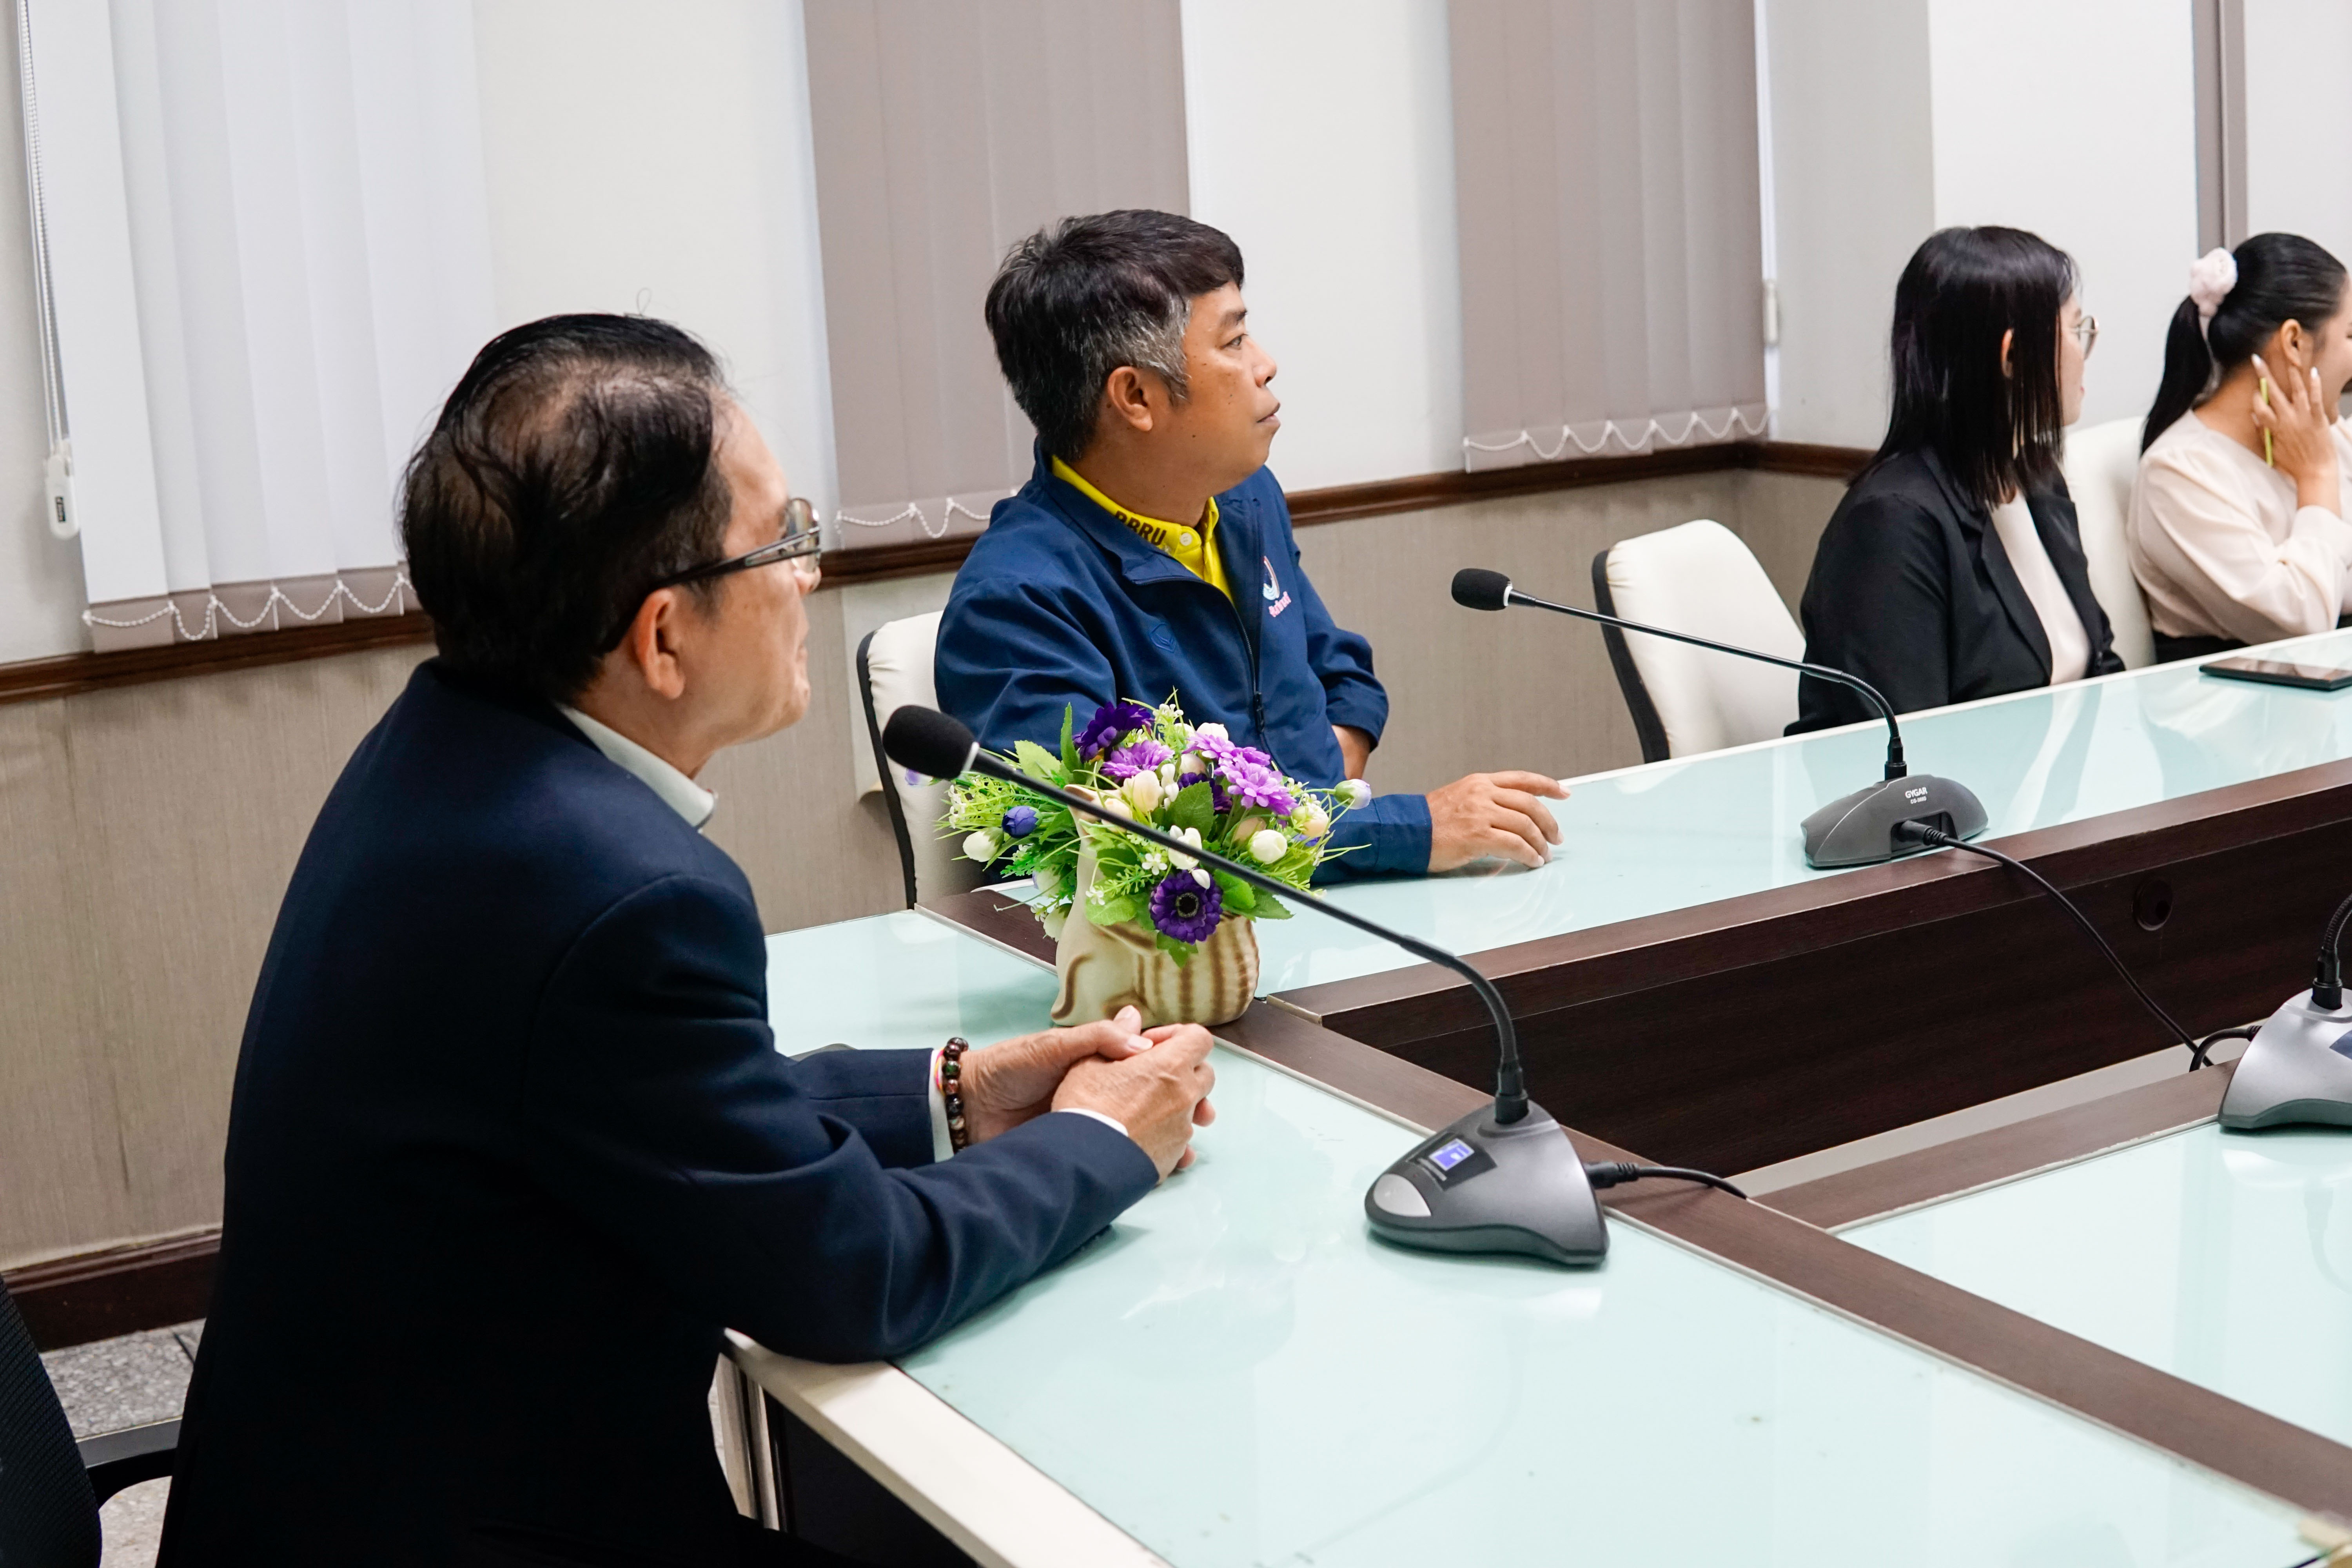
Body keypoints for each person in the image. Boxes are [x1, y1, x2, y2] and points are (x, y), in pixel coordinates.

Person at [158, 316, 1217, 1568]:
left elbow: (632, 1100)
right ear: (662, 636)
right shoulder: (620, 891)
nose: (809, 574)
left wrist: (954, 1092)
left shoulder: (448, 748)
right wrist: (1105, 1139)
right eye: (785, 538)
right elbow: (850, 1277)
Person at [935, 209, 1567, 879]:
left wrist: (1331, 775)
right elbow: (1119, 841)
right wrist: (1403, 831)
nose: (1266, 365)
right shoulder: (1017, 599)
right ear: (1137, 396)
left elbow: (1335, 666)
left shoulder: (1242, 496)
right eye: (1234, 342)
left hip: (1327, 894)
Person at [1788, 226, 2120, 733]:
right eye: (2077, 329)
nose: (2086, 348)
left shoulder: (2037, 477)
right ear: (2013, 356)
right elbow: (1909, 751)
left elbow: (2100, 664)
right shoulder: (1893, 524)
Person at [2129, 233, 2352, 659]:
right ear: (2294, 343)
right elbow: (2300, 621)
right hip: (2240, 698)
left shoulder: (2323, 434)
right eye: (2351, 335)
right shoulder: (2179, 471)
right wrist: (2317, 478)